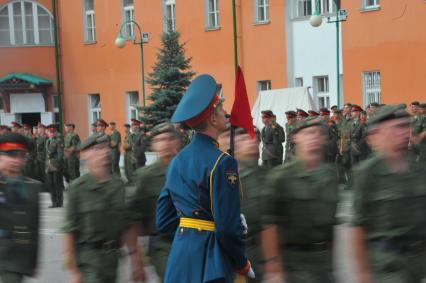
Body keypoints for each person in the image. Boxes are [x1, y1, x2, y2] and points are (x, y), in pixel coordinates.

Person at [156, 74, 252, 283]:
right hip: (211, 264)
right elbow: (227, 229)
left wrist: (190, 234)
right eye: (220, 110)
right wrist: (242, 263)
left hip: (179, 260)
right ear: (213, 119)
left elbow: (163, 220)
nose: (225, 113)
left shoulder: (177, 161)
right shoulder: (223, 162)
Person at [351, 104, 426, 283]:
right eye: (396, 128)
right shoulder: (367, 172)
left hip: (416, 263)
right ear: (377, 134)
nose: (404, 132)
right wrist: (362, 272)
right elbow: (358, 226)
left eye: (405, 126)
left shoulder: (417, 169)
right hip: (386, 266)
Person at [262, 117, 339, 283]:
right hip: (293, 263)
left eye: (319, 133)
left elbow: (332, 225)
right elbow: (269, 225)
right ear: (296, 137)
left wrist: (332, 265)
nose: (314, 137)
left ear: (324, 139)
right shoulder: (281, 177)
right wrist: (275, 266)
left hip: (322, 263)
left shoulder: (330, 175)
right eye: (309, 133)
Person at [63, 134, 145, 283]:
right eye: (97, 149)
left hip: (112, 259)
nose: (104, 152)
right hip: (88, 260)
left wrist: (135, 259)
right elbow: (69, 231)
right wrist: (74, 271)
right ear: (84, 155)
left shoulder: (118, 185)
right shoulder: (77, 188)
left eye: (106, 147)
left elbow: (127, 225)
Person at [128, 122, 182, 281]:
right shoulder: (145, 177)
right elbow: (134, 218)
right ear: (153, 145)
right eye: (160, 140)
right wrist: (135, 257)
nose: (165, 144)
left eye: (170, 139)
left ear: (178, 142)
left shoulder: (192, 170)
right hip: (162, 245)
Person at [0, 133, 42, 283]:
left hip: (15, 260)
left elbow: (35, 228)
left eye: (21, 155)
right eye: (11, 155)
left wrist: (33, 262)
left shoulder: (33, 187)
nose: (17, 160)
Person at [234, 127, 265, 283]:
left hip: (259, 250)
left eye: (256, 138)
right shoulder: (224, 176)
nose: (253, 142)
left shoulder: (266, 175)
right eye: (246, 138)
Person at [45, 125, 64, 208]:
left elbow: (60, 154)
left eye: (53, 132)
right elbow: (47, 154)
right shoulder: (47, 141)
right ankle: (53, 202)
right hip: (49, 165)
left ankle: (59, 202)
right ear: (48, 133)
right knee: (51, 184)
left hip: (56, 166)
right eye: (50, 132)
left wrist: (57, 166)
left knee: (57, 184)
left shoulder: (58, 141)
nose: (51, 134)